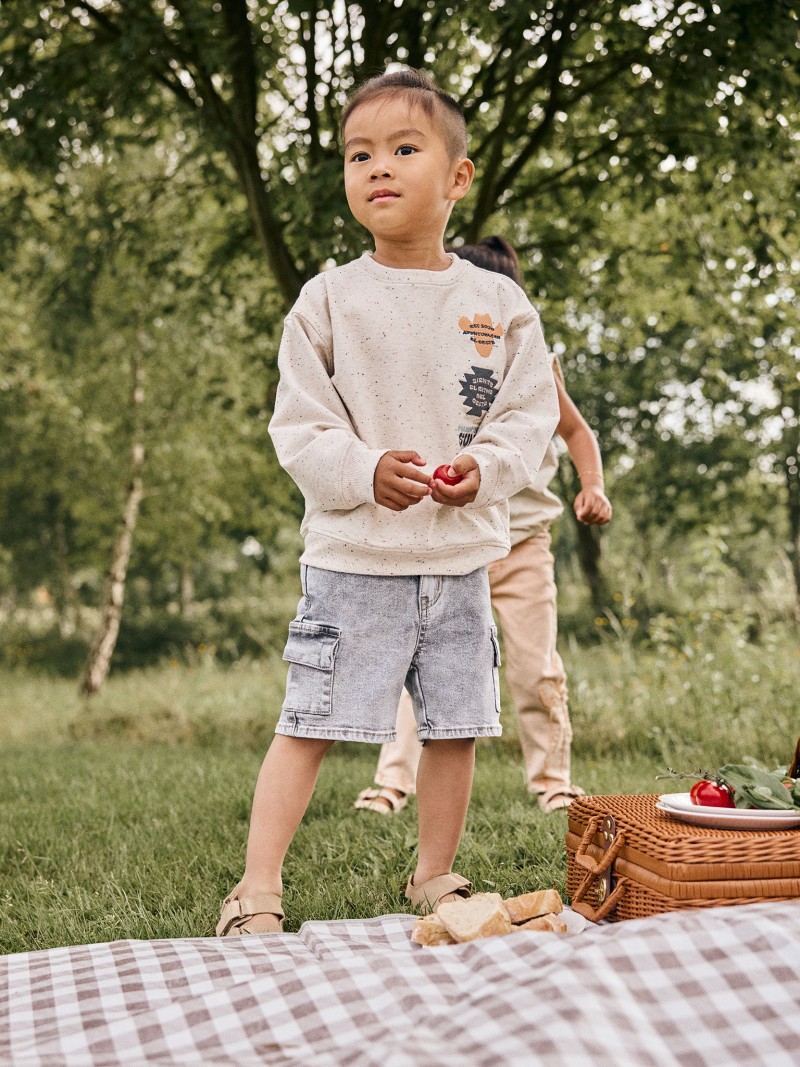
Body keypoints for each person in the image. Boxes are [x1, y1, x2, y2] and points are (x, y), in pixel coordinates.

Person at [216, 68, 560, 936]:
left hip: (457, 564)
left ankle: (435, 873)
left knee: (453, 727)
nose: (379, 167)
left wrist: (487, 467)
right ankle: (256, 886)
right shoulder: (329, 298)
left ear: (456, 178)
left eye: (405, 149)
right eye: (359, 153)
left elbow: (529, 413)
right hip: (354, 562)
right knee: (309, 721)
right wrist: (365, 470)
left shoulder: (498, 303)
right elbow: (298, 425)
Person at [354, 236, 612, 818]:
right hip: (445, 545)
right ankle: (393, 783)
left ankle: (553, 782)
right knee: (413, 664)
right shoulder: (425, 359)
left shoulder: (532, 361)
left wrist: (591, 485)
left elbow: (575, 432)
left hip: (521, 545)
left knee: (534, 666)